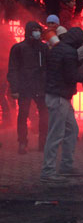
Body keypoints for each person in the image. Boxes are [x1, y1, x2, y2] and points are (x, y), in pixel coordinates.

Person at [40, 27, 83, 183]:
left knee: (72, 129)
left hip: (56, 95)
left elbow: (60, 69)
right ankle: (48, 170)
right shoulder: (69, 52)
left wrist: (77, 63)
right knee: (56, 134)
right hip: (60, 97)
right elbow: (70, 76)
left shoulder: (57, 48)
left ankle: (66, 166)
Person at [7, 21, 48, 154]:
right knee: (23, 115)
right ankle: (23, 142)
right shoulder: (18, 48)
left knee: (44, 115)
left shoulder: (43, 48)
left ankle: (43, 142)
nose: (37, 32)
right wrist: (15, 88)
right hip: (25, 86)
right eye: (34, 30)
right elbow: (13, 69)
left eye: (38, 30)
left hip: (40, 86)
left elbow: (48, 68)